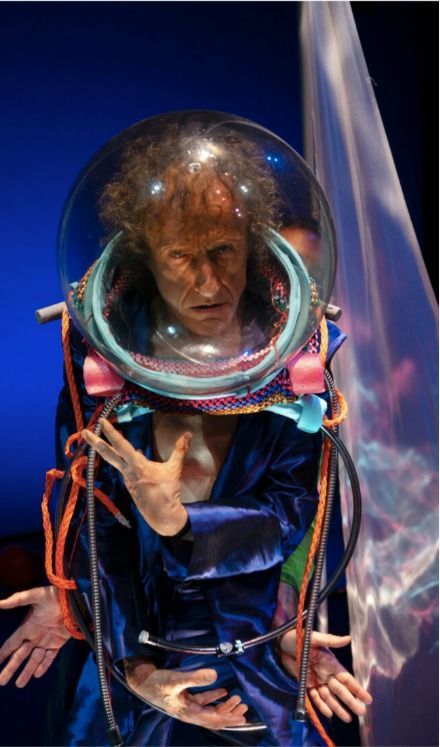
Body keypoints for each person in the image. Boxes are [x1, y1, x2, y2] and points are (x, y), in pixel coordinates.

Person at [0, 114, 372, 746]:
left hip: (253, 656)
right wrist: (133, 666)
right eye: (180, 256)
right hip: (131, 659)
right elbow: (91, 524)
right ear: (146, 259)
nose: (209, 282)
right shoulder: (102, 362)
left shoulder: (295, 356)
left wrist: (181, 523)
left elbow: (292, 513)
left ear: (252, 246)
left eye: (223, 250)